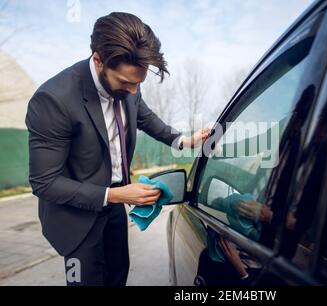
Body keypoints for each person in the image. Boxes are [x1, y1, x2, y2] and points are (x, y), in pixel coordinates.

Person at [25, 12, 209, 286]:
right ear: (98, 60)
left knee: (117, 276)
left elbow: (145, 118)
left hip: (114, 208)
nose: (134, 91)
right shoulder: (53, 100)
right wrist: (114, 194)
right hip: (76, 216)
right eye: (126, 82)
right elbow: (45, 183)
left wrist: (182, 141)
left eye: (139, 83)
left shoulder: (129, 85)